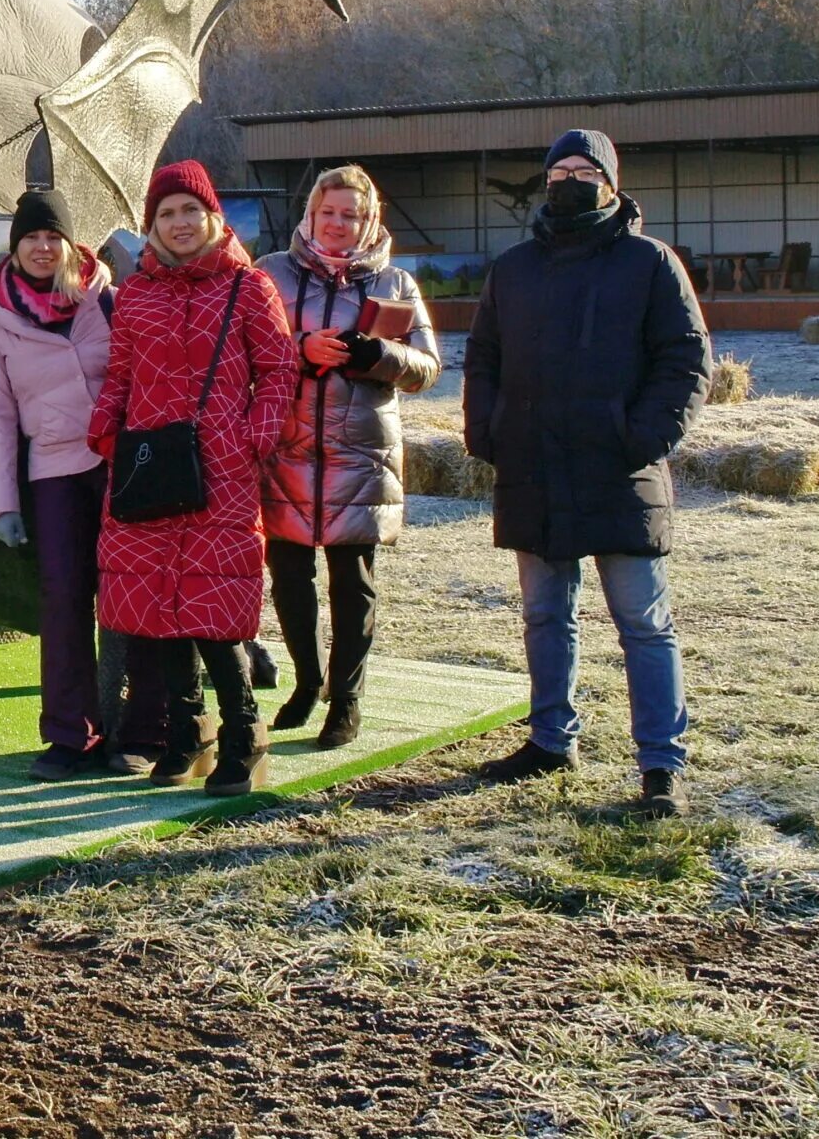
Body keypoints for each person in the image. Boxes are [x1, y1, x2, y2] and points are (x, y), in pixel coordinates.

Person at [464, 128, 708, 818]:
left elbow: (685, 361)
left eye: (584, 170)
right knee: (545, 614)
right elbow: (483, 357)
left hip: (620, 469)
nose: (569, 180)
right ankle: (550, 739)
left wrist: (641, 436)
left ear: (610, 182)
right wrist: (488, 432)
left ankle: (662, 766)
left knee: (643, 623)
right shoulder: (513, 270)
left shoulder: (650, 264)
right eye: (558, 170)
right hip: (533, 466)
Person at [88, 161, 295, 796]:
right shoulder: (137, 296)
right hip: (148, 468)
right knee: (156, 608)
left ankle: (244, 733)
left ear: (213, 217)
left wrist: (249, 440)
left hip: (221, 470)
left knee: (212, 608)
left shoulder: (249, 287)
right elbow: (119, 376)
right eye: (166, 214)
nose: (179, 224)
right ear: (151, 225)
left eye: (189, 211)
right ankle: (188, 728)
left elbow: (279, 371)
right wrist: (107, 433)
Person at [257, 165, 441, 748]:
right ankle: (307, 683)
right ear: (310, 215)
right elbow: (240, 352)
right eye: (329, 212)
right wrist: (299, 350)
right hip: (285, 448)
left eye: (352, 215)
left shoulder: (397, 284)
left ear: (370, 221)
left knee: (352, 583)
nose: (339, 224)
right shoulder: (269, 275)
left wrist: (377, 354)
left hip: (360, 453)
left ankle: (347, 699)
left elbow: (427, 368)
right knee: (288, 578)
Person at [0, 188, 150, 781]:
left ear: (72, 243)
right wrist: (0, 505)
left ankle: (142, 730)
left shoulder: (110, 302)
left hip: (122, 467)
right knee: (64, 602)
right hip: (53, 474)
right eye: (31, 238)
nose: (43, 247)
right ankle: (71, 734)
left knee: (134, 600)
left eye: (53, 236)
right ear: (16, 248)